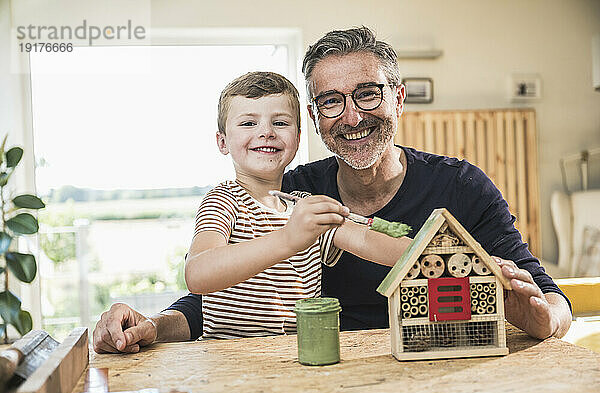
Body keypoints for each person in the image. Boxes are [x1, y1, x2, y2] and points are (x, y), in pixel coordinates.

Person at [93, 27, 571, 354]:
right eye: (330, 101)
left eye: (367, 93)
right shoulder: (283, 195)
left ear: (397, 97)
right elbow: (218, 292)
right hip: (288, 367)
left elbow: (398, 250)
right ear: (317, 118)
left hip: (416, 367)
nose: (352, 116)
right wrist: (153, 326)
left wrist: (489, 276)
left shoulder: (459, 186)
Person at [184, 71, 410, 339]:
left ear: (298, 139)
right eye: (248, 124)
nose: (266, 132)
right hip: (229, 359)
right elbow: (197, 274)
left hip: (297, 357)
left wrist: (429, 253)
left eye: (280, 123)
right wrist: (288, 240)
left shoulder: (304, 207)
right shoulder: (223, 200)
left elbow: (366, 240)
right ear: (223, 142)